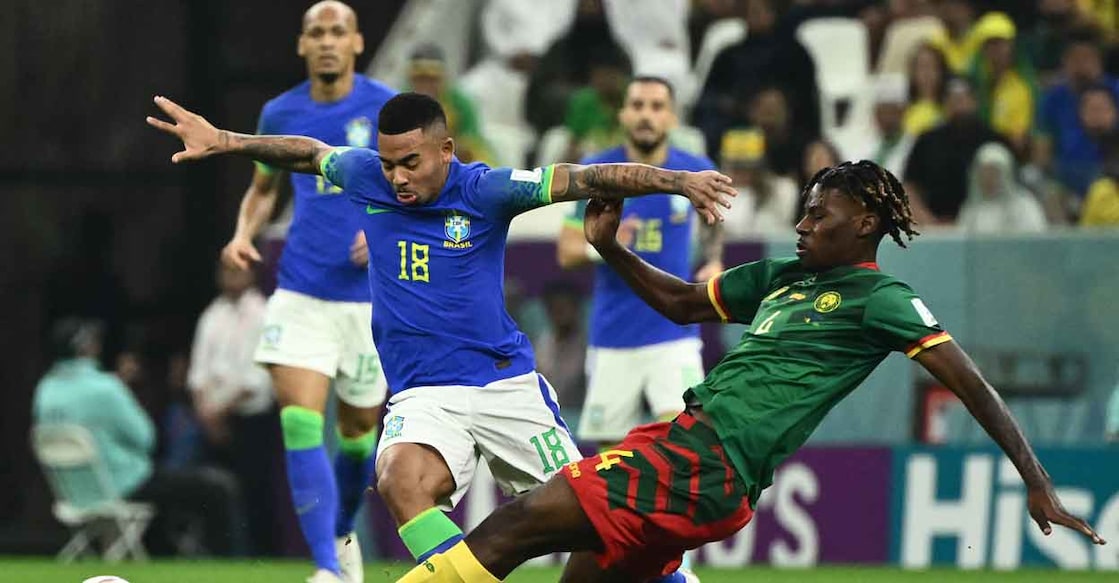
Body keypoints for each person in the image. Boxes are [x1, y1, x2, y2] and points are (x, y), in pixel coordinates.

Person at [393, 159, 1107, 583]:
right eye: (801, 212)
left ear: (862, 225)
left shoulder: (881, 298)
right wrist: (609, 249)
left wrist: (1036, 482)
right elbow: (678, 302)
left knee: (511, 527)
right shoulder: (783, 276)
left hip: (704, 460)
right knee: (585, 577)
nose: (800, 225)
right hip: (687, 450)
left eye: (817, 214)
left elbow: (971, 385)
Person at [146, 90, 735, 581]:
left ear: (446, 150)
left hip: (506, 388)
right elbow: (309, 153)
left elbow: (587, 177)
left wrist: (678, 180)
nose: (397, 177)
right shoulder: (366, 177)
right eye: (387, 163)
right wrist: (226, 141)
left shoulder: (485, 191)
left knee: (599, 524)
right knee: (399, 478)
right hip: (423, 396)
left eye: (411, 163)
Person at [216, 2, 396, 581]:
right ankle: (328, 565)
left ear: (356, 43)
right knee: (298, 419)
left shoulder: (387, 107)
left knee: (355, 436)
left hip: (370, 300)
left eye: (336, 32)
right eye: (316, 33)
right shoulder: (280, 110)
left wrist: (386, 228)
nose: (326, 42)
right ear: (301, 46)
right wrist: (244, 232)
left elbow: (426, 186)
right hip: (301, 288)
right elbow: (264, 188)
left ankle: (344, 537)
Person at [557, 77, 722, 449]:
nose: (646, 115)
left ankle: (671, 510)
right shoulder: (595, 171)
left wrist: (712, 261)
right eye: (638, 105)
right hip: (614, 335)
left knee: (687, 444)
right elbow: (566, 252)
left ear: (673, 118)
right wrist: (601, 245)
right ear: (623, 114)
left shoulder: (695, 170)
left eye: (656, 106)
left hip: (674, 334)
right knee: (610, 459)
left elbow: (713, 226)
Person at [33, 318, 245, 557]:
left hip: (73, 496)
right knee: (220, 487)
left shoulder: (45, 390)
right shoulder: (105, 387)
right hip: (126, 485)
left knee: (171, 489)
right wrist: (123, 389)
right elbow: (146, 438)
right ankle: (233, 563)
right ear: (87, 347)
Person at [187, 262, 280, 555]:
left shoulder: (265, 313)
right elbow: (199, 371)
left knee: (256, 489)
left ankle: (261, 555)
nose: (229, 277)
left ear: (251, 273)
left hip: (251, 417)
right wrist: (206, 412)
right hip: (212, 419)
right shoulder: (213, 315)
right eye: (225, 271)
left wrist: (221, 409)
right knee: (214, 490)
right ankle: (223, 551)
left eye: (236, 271)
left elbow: (260, 378)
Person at [717, 128, 799, 238]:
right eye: (736, 167)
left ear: (760, 168)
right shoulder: (713, 195)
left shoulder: (783, 190)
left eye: (747, 167)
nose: (742, 174)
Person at [957, 142, 1047, 233]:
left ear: (1006, 175)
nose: (988, 179)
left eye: (993, 173)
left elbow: (1036, 240)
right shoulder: (971, 210)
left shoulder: (1025, 206)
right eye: (983, 174)